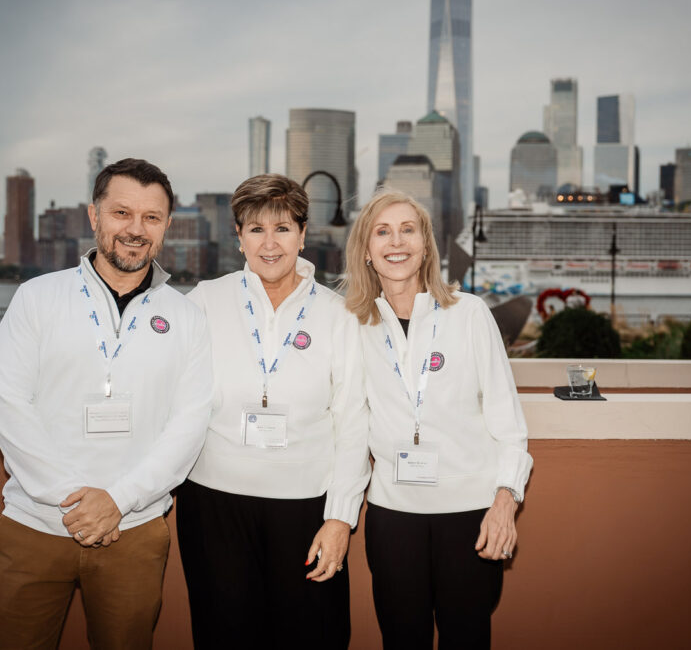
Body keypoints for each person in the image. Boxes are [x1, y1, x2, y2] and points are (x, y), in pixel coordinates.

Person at [0, 158, 213, 649]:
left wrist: (118, 501)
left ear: (167, 225)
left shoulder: (187, 317)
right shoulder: (37, 298)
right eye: (121, 213)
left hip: (135, 530)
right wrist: (76, 501)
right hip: (35, 525)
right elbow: (7, 404)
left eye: (151, 217)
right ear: (94, 216)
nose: (135, 229)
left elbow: (189, 425)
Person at [176, 173, 369, 649]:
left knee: (312, 636)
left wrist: (340, 517)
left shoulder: (339, 314)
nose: (270, 242)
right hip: (213, 506)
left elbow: (354, 422)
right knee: (223, 636)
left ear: (303, 235)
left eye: (282, 228)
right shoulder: (203, 301)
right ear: (238, 237)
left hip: (306, 510)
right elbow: (172, 397)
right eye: (256, 228)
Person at [343, 188, 533, 650]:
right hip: (393, 519)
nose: (397, 242)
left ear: (426, 245)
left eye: (409, 230)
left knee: (467, 639)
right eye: (382, 232)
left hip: (469, 517)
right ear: (366, 251)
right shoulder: (352, 324)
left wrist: (505, 502)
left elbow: (510, 429)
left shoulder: (469, 315)